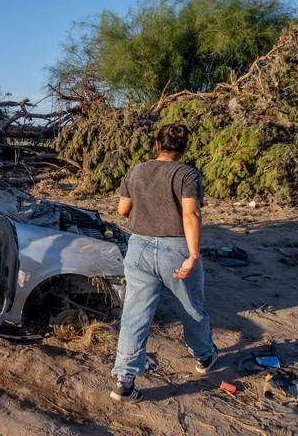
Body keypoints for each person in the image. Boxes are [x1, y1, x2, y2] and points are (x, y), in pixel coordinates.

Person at [110, 123, 217, 403]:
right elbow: (191, 214)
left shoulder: (136, 171)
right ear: (184, 148)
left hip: (138, 247)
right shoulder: (187, 174)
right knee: (191, 307)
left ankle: (124, 379)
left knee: (135, 313)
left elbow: (123, 210)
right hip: (176, 249)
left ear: (157, 145)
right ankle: (203, 356)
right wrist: (194, 255)